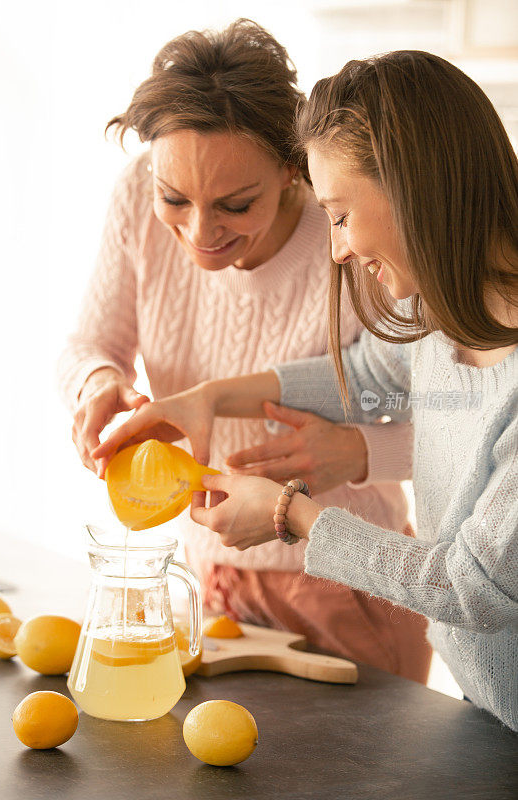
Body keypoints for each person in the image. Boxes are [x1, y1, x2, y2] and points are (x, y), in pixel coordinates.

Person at [93, 50, 518, 730]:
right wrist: (209, 397)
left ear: (415, 189)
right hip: (485, 704)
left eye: (341, 216)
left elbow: (468, 588)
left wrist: (291, 514)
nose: (338, 248)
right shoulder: (440, 313)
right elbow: (372, 375)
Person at [59, 20, 431, 682]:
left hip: (345, 583)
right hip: (204, 577)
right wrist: (95, 385)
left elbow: (435, 406)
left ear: (293, 169)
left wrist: (356, 454)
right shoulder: (131, 199)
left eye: (235, 204)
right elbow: (91, 343)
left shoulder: (350, 227)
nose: (199, 232)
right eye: (174, 198)